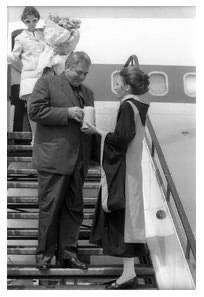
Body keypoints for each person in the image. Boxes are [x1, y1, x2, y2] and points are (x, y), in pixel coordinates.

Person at [82, 66, 150, 289]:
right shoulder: (139, 106)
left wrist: (98, 133)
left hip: (123, 172)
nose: (115, 86)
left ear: (128, 86)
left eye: (118, 83)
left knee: (122, 221)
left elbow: (121, 140)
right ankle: (128, 273)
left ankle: (128, 274)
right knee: (128, 223)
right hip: (132, 170)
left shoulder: (127, 106)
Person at [28, 51, 94, 270]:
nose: (82, 78)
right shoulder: (47, 83)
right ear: (68, 67)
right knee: (50, 207)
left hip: (78, 161)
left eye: (85, 74)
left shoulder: (87, 92)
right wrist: (66, 112)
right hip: (54, 159)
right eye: (79, 73)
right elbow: (35, 111)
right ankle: (45, 255)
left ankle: (69, 252)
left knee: (74, 210)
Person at [7, 6, 45, 144]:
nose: (32, 23)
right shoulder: (19, 38)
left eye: (34, 20)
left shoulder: (43, 35)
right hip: (28, 76)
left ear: (37, 19)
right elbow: (14, 57)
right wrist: (20, 66)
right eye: (28, 21)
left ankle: (42, 135)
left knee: (44, 106)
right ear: (24, 21)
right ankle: (35, 137)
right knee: (31, 107)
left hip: (43, 75)